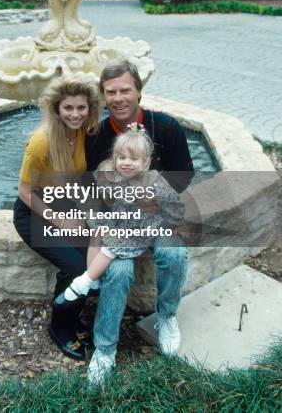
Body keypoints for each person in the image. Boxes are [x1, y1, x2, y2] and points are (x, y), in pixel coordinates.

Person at [84, 59, 194, 383]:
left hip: (158, 216)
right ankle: (105, 349)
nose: (118, 98)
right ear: (104, 96)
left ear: (139, 91)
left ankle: (167, 315)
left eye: (125, 90)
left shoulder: (167, 127)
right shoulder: (97, 135)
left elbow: (185, 174)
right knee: (116, 271)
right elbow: (91, 184)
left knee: (173, 253)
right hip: (119, 222)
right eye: (111, 92)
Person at [13, 74, 99, 361]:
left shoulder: (84, 132)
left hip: (62, 206)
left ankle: (74, 318)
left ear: (89, 108)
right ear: (56, 109)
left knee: (93, 260)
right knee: (75, 267)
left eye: (81, 108)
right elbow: (25, 191)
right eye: (68, 108)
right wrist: (61, 221)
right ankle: (59, 327)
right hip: (33, 212)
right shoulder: (41, 141)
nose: (75, 114)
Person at [54, 124, 185, 307]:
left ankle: (82, 283)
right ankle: (94, 279)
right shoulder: (117, 175)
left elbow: (173, 202)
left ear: (146, 162)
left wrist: (177, 222)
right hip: (120, 222)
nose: (127, 162)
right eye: (122, 158)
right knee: (97, 235)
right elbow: (101, 176)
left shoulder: (153, 181)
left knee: (110, 249)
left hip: (141, 228)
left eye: (133, 159)